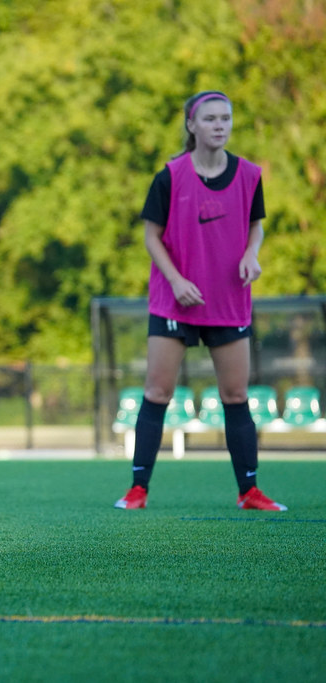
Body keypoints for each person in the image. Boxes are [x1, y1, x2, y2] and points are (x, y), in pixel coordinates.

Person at [114, 90, 286, 512]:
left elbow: (256, 225)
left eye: (225, 118)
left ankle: (249, 492)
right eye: (210, 119)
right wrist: (175, 280)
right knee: (157, 392)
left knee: (236, 395)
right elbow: (151, 236)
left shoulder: (249, 175)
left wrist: (252, 253)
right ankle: (138, 490)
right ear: (192, 125)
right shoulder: (170, 177)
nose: (219, 125)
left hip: (228, 300)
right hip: (175, 301)